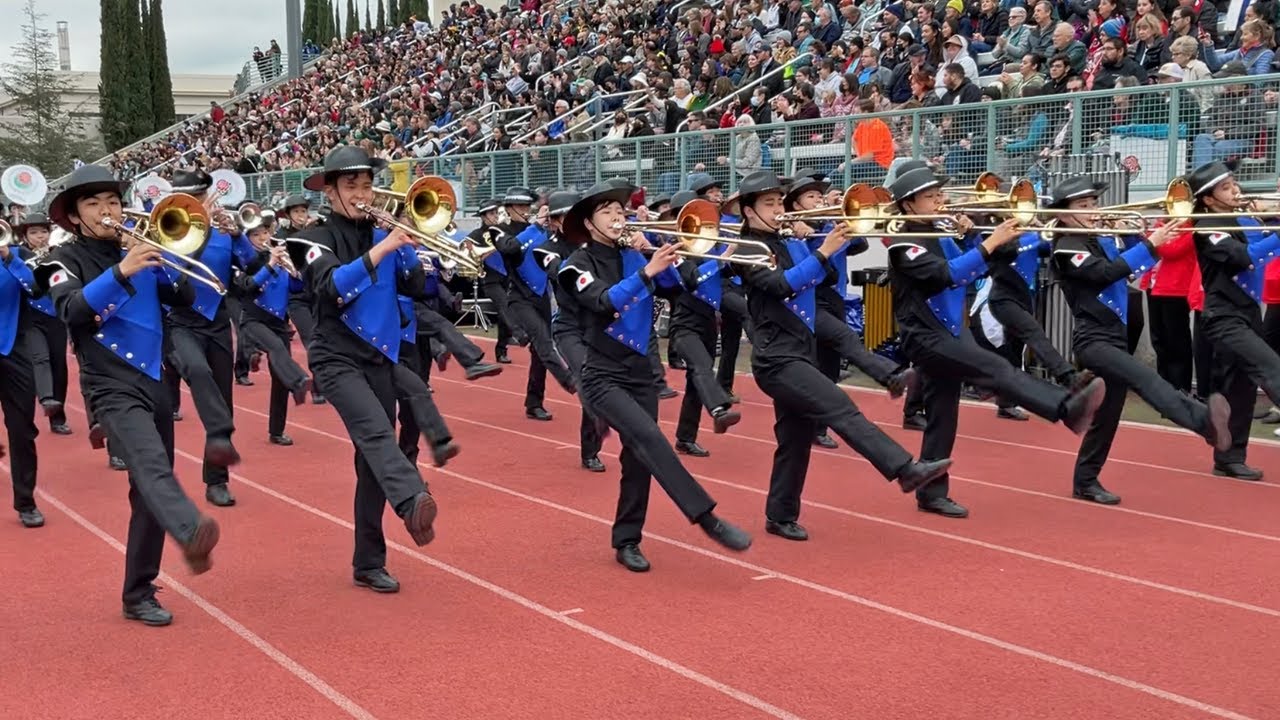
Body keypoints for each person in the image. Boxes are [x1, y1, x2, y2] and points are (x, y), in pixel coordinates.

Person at [727, 171, 953, 541]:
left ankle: (780, 514)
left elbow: (827, 277)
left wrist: (810, 242)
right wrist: (820, 250)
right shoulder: (746, 249)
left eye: (780, 202)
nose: (779, 209)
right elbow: (781, 285)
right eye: (769, 204)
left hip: (800, 352)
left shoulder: (787, 240)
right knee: (840, 406)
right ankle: (905, 469)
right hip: (777, 359)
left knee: (795, 439)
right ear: (749, 212)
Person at [37, 165, 219, 626]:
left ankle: (138, 590)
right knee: (150, 466)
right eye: (94, 204)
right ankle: (191, 530)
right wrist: (122, 269)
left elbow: (184, 296)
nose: (107, 211)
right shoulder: (62, 262)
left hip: (155, 379)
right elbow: (74, 313)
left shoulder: (139, 246)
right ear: (75, 217)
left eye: (113, 202)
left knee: (147, 492)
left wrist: (173, 252)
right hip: (109, 384)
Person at [885, 166, 1108, 519]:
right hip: (924, 337)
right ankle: (1066, 407)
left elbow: (982, 267)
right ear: (909, 206)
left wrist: (977, 238)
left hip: (949, 333)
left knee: (944, 415)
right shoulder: (904, 245)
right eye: (931, 197)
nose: (941, 201)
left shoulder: (940, 233)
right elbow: (947, 275)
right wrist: (986, 244)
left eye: (939, 195)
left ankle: (931, 492)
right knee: (995, 367)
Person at [558, 180, 751, 572]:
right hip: (601, 374)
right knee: (649, 437)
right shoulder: (574, 265)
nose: (618, 216)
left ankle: (627, 539)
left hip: (640, 372)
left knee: (638, 459)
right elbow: (602, 302)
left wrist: (664, 259)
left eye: (620, 210)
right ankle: (707, 518)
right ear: (589, 223)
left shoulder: (635, 254)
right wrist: (646, 270)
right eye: (608, 211)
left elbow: (683, 290)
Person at [286, 146, 438, 594]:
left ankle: (368, 562)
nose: (362, 193)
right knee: (376, 435)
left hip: (381, 355)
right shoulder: (310, 237)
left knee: (371, 463)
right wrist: (384, 247)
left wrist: (405, 244)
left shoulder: (382, 231)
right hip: (335, 356)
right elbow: (332, 288)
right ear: (330, 192)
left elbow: (417, 288)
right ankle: (412, 499)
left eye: (367, 184)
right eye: (351, 186)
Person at [1049, 176, 1231, 504]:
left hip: (1114, 338)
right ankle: (1204, 422)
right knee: (1145, 377)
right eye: (1083, 206)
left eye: (1093, 204)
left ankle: (1085, 480)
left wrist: (1135, 234)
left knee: (1108, 416)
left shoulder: (1098, 239)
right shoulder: (1066, 246)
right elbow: (1106, 274)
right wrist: (1148, 243)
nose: (1093, 211)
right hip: (1093, 340)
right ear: (1062, 213)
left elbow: (1130, 268)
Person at [782, 170, 918, 448]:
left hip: (835, 299)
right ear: (796, 205)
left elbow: (860, 243)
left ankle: (817, 428)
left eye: (821, 196)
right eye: (811, 196)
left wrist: (838, 218)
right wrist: (805, 235)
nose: (819, 200)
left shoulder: (832, 226)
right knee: (841, 341)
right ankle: (889, 374)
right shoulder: (790, 231)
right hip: (808, 301)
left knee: (829, 370)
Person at [162, 169, 257, 508]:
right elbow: (170, 278)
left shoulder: (223, 232)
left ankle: (216, 480)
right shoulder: (167, 230)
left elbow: (251, 264)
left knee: (223, 398)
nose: (194, 204)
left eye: (198, 198)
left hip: (217, 320)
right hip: (180, 321)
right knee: (197, 372)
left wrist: (240, 235)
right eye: (187, 199)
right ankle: (220, 432)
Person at [1189, 160, 1280, 481]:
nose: (1236, 190)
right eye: (1226, 188)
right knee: (1272, 368)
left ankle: (1229, 458)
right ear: (1209, 199)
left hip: (1247, 312)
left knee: (1239, 389)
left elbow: (1263, 242)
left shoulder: (1243, 217)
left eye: (1234, 184)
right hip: (1223, 316)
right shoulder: (1205, 227)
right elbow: (1243, 257)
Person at [651, 190, 741, 458]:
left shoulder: (709, 246)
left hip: (708, 323)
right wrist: (722, 257)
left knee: (695, 381)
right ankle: (718, 409)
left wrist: (737, 257)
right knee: (701, 366)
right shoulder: (673, 250)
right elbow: (691, 280)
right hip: (684, 323)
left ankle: (685, 438)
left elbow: (727, 272)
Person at [534, 189, 611, 472]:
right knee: (587, 376)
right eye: (566, 217)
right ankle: (591, 448)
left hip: (599, 323)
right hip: (568, 326)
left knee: (602, 382)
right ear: (554, 222)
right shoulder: (546, 249)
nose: (573, 221)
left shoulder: (599, 244)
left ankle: (595, 442)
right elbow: (561, 273)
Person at [491, 187, 578, 420]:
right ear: (509, 209)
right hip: (519, 297)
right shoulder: (499, 230)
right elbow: (510, 249)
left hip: (541, 296)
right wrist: (537, 226)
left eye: (526, 206)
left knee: (540, 353)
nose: (524, 211)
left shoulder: (546, 231)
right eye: (519, 207)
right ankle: (571, 382)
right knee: (543, 340)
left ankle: (534, 402)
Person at [232, 215, 312, 445]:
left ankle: (276, 430)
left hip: (278, 322)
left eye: (264, 233)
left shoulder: (279, 256)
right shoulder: (244, 262)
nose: (262, 238)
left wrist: (296, 273)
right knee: (277, 349)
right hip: (254, 319)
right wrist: (271, 264)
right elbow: (250, 286)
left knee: (279, 378)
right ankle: (299, 380)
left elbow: (297, 288)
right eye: (255, 235)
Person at [12, 214, 72, 435]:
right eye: (34, 233)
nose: (39, 237)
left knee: (59, 364)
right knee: (40, 357)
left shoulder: (58, 253)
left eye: (43, 232)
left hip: (55, 316)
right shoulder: (18, 254)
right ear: (25, 235)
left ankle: (58, 417)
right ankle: (46, 398)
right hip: (30, 316)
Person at [1, 214, 42, 528]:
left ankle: (26, 501)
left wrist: (9, 259)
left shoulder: (18, 258)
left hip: (13, 350)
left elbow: (35, 290)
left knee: (22, 429)